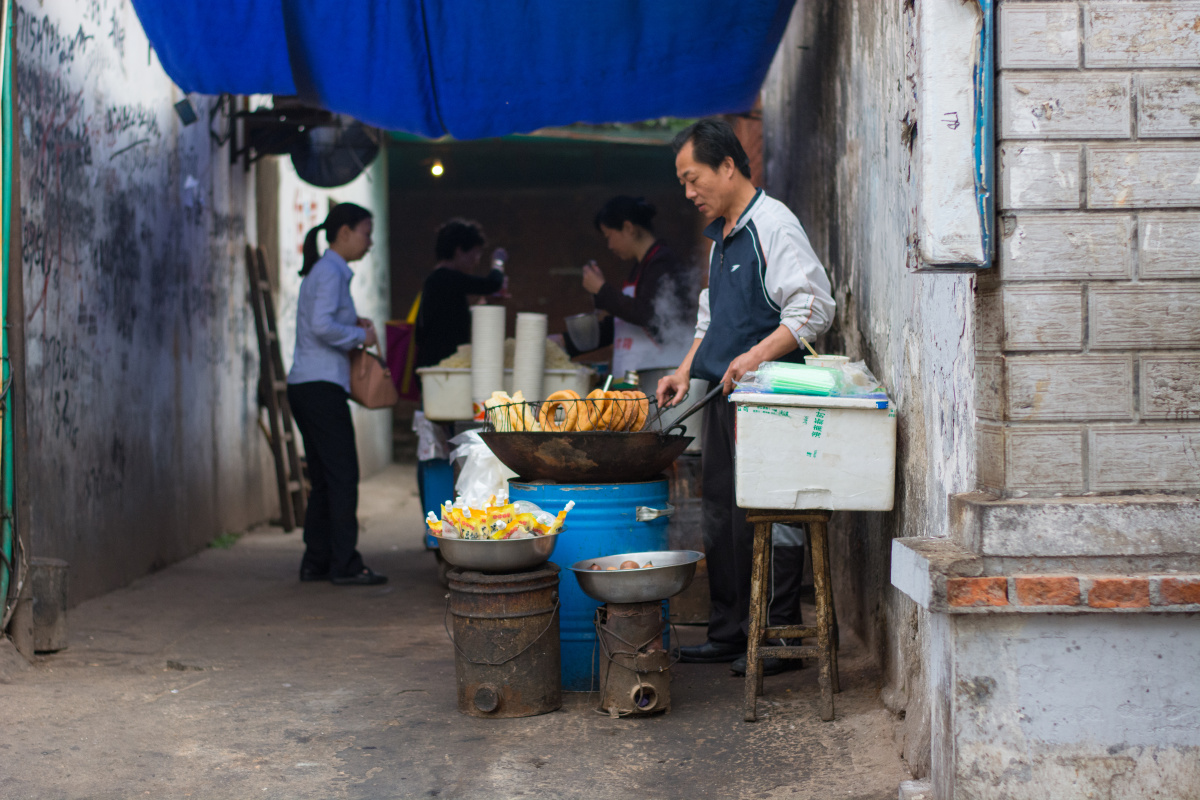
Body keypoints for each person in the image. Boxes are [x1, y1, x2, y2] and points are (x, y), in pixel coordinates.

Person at [656, 119, 835, 675]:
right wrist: (686, 369)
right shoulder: (724, 236)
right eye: (683, 183)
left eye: (693, 178)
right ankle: (732, 631)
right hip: (726, 400)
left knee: (772, 514)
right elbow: (714, 319)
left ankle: (778, 635)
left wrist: (756, 357)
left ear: (727, 166)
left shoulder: (773, 226)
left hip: (773, 399)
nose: (688, 193)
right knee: (723, 515)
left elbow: (813, 307)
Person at [287, 202, 388, 586]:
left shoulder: (325, 271)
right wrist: (361, 335)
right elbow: (320, 325)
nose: (370, 241)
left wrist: (352, 324)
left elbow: (325, 321)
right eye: (366, 231)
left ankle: (317, 560)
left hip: (307, 386)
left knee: (328, 479)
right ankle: (345, 563)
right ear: (343, 232)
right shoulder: (329, 271)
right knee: (343, 475)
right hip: (320, 387)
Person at [562, 196, 695, 377]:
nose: (609, 245)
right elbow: (624, 324)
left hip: (657, 377)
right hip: (631, 380)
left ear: (628, 228)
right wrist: (565, 342)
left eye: (609, 236)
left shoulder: (663, 263)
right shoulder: (640, 267)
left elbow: (648, 315)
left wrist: (602, 290)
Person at [414, 219, 506, 370]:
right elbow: (492, 284)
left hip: (443, 364)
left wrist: (485, 302)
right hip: (440, 367)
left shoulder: (441, 280)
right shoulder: (444, 277)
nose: (476, 261)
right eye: (475, 254)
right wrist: (498, 262)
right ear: (459, 251)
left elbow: (455, 318)